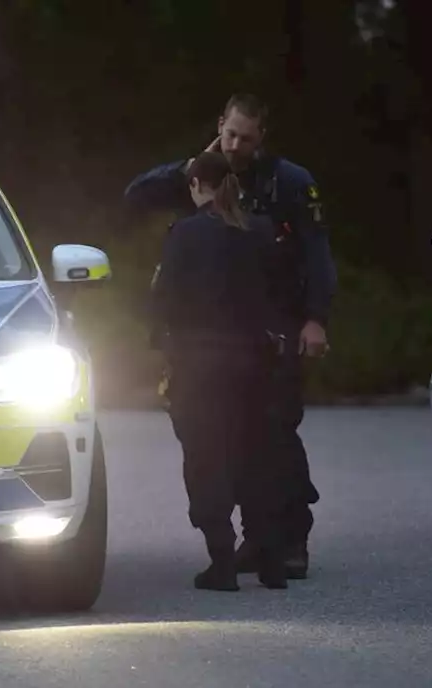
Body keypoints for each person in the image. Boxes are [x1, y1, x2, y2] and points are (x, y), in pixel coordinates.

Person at [126, 93, 337, 579]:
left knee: (275, 432)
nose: (236, 144)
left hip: (275, 322)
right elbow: (135, 196)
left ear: (263, 137)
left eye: (246, 137)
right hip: (216, 333)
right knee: (224, 438)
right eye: (230, 134)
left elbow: (317, 257)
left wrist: (316, 318)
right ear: (219, 125)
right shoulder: (202, 176)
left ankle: (290, 538)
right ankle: (255, 539)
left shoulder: (288, 183)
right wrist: (187, 168)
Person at [150, 151, 292, 591]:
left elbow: (164, 300)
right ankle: (271, 560)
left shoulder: (185, 235)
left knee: (207, 459)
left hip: (199, 366)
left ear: (196, 186)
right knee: (258, 457)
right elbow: (281, 293)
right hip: (256, 363)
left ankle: (222, 560)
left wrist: (158, 347)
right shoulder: (261, 232)